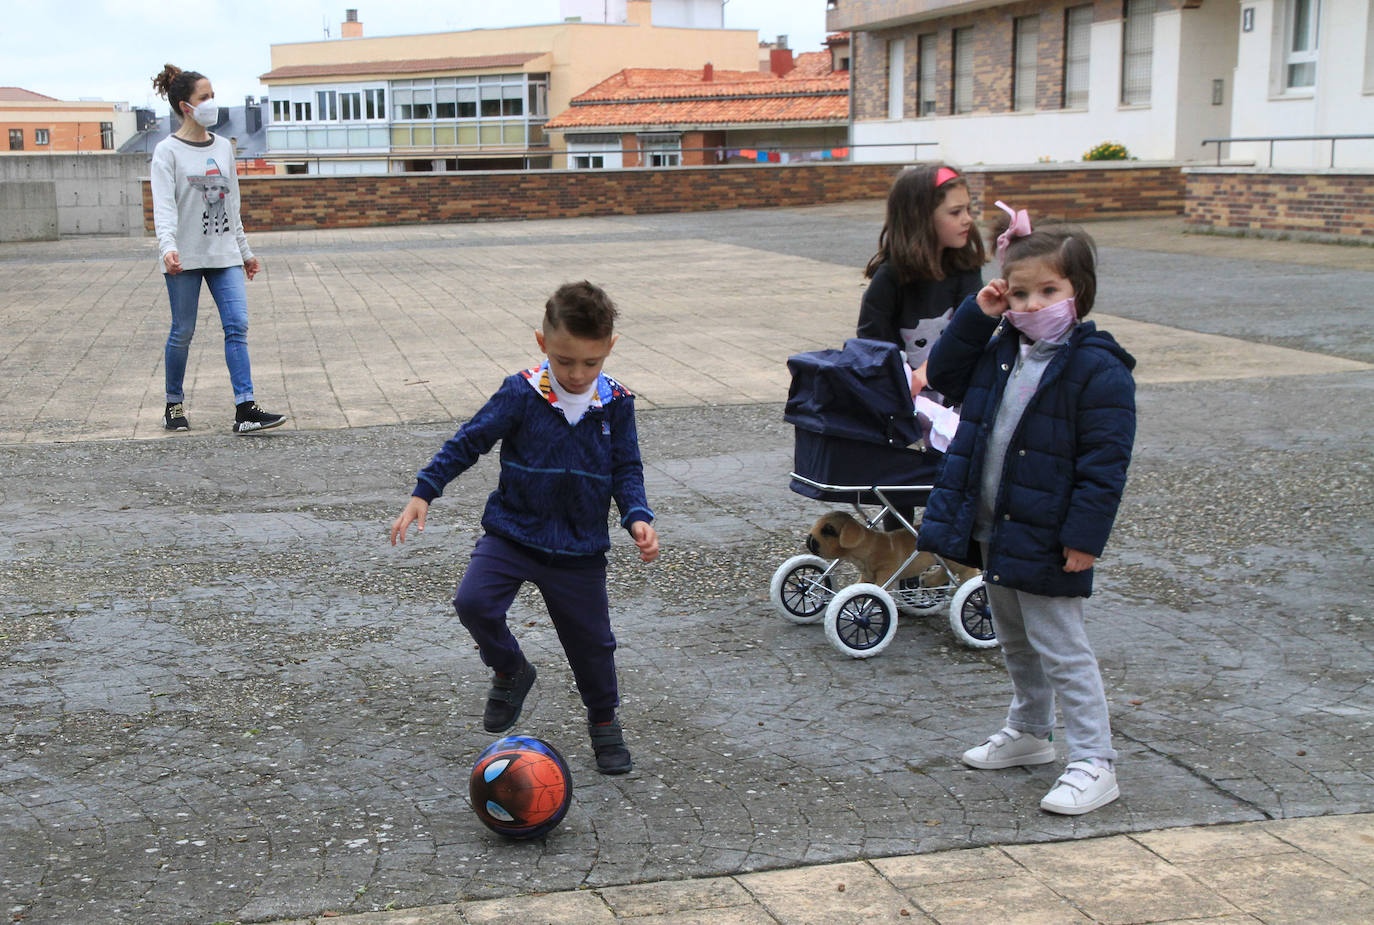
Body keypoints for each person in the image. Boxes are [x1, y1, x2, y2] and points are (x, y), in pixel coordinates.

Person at [916, 202, 1136, 815]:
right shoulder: (1002, 348)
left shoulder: (1100, 370)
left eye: (1049, 291)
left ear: (1079, 293)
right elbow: (947, 374)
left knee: (1062, 648)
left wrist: (1084, 536)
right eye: (1019, 293)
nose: (1032, 305)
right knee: (1014, 638)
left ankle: (1095, 760)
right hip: (994, 526)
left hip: (1048, 534)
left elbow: (1104, 464)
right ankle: (1031, 733)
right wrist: (977, 314)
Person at [390, 281, 659, 776]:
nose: (577, 374)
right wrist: (423, 492)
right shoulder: (521, 391)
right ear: (542, 344)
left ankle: (603, 722)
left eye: (590, 363)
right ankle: (511, 669)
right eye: (564, 361)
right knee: (473, 603)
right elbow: (469, 441)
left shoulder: (617, 402)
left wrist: (637, 516)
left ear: (610, 348)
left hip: (579, 549)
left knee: (592, 644)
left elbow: (627, 467)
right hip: (512, 533)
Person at [150, 63, 286, 434]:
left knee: (237, 325)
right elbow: (163, 207)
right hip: (184, 257)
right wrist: (167, 248)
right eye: (204, 97)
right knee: (182, 331)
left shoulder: (224, 147)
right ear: (185, 105)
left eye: (213, 95)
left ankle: (246, 408)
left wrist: (245, 251)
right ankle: (173, 405)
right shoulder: (167, 151)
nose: (212, 103)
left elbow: (232, 206)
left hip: (223, 253)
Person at [857, 163, 986, 401]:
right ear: (920, 216)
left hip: (956, 399)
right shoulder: (889, 277)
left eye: (968, 209)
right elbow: (871, 346)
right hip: (904, 401)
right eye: (955, 212)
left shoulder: (965, 268)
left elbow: (973, 335)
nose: (968, 219)